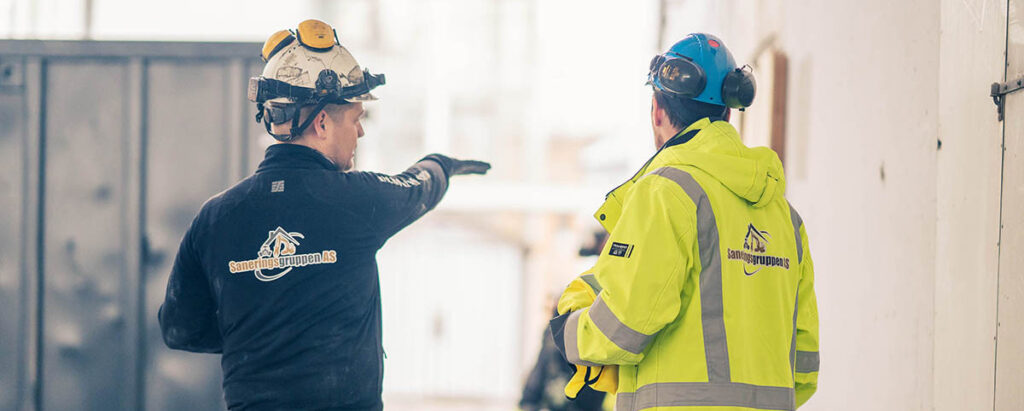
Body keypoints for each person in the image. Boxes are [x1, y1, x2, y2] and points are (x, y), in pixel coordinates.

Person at [158, 19, 489, 411]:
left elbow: (180, 329)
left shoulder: (214, 219)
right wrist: (442, 163)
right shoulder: (358, 200)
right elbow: (419, 187)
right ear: (321, 123)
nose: (361, 133)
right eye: (356, 118)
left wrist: (257, 330)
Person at [549, 33, 819, 411]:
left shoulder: (666, 192)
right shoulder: (786, 219)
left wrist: (570, 332)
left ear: (657, 111)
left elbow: (625, 326)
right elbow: (803, 370)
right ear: (728, 113)